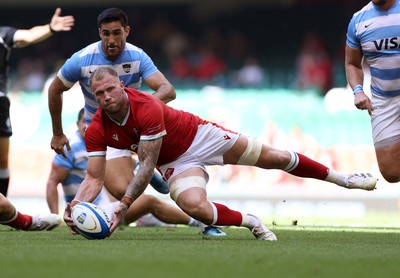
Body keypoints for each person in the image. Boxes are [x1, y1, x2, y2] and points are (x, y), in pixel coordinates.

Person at [63, 67, 378, 241]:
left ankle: (345, 179)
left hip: (201, 136)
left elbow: (145, 166)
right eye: (99, 93)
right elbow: (94, 176)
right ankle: (251, 222)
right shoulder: (96, 128)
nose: (106, 97)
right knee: (194, 207)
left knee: (277, 159)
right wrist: (76, 204)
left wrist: (123, 206)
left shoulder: (147, 107)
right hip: (174, 162)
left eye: (110, 89)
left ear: (121, 85)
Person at [47, 8, 223, 236]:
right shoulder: (81, 60)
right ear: (99, 33)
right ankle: (145, 169)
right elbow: (55, 88)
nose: (111, 40)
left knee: (172, 183)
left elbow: (167, 90)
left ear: (126, 31)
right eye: (106, 34)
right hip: (102, 133)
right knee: (123, 190)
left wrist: (142, 110)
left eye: (116, 33)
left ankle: (203, 220)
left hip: (137, 131)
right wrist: (57, 133)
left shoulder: (137, 56)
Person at [46, 108, 201, 229]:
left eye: (92, 121)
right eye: (84, 121)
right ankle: (197, 221)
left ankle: (139, 175)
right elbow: (52, 182)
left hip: (107, 202)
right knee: (148, 202)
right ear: (77, 124)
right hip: (91, 212)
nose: (88, 126)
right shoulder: (72, 148)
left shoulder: (100, 143)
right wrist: (55, 217)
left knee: (137, 201)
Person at [0, 8, 74, 197]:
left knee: (2, 160)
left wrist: (50, 27)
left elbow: (29, 36)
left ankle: (2, 208)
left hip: (0, 102)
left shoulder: (3, 35)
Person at [345, 0, 400, 183]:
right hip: (383, 101)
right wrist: (358, 91)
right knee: (390, 172)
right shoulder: (359, 20)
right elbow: (352, 63)